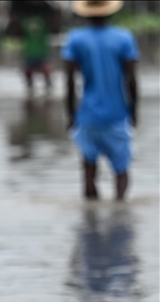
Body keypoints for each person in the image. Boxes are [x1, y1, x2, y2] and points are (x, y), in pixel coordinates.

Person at [63, 0, 139, 201]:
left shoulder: (76, 39)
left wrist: (71, 114)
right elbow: (131, 79)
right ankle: (120, 215)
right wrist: (133, 111)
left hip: (88, 115)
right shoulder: (124, 38)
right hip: (117, 114)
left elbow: (70, 81)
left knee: (88, 172)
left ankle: (90, 223)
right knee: (121, 169)